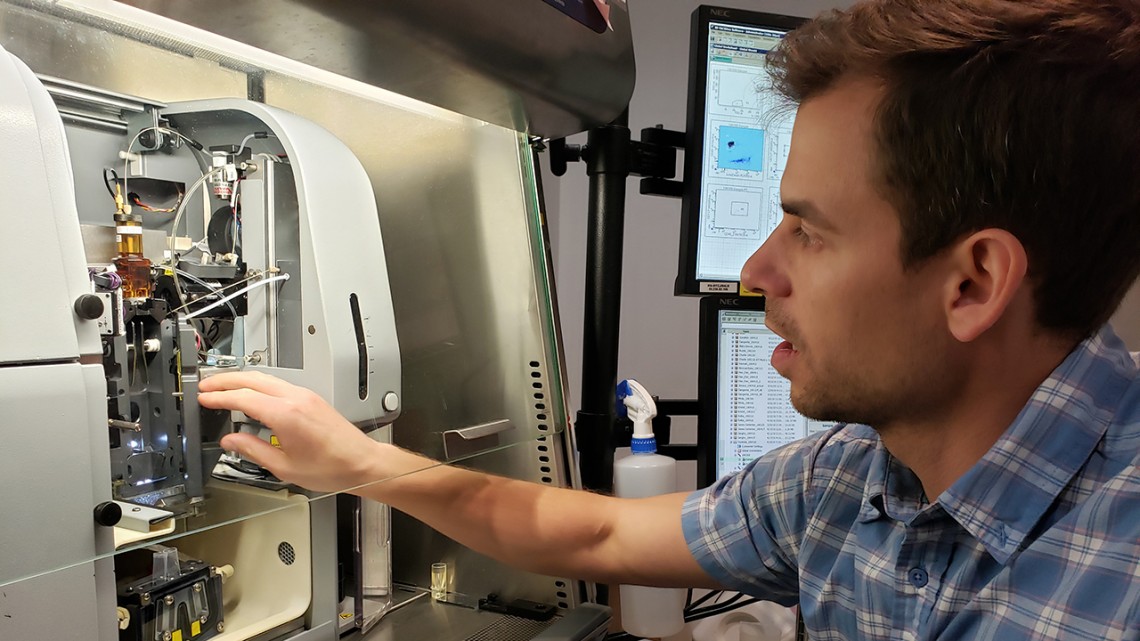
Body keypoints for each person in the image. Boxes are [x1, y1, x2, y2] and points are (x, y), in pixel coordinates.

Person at [199, 0, 1140, 638]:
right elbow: (597, 537)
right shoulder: (845, 479)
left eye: (809, 232)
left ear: (973, 284)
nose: (757, 271)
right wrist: (358, 462)